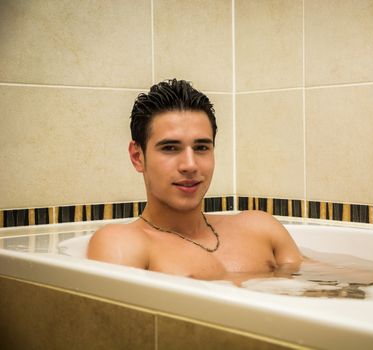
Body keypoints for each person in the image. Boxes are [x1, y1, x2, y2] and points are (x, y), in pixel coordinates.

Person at [87, 78, 302, 281]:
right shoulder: (123, 243)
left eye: (201, 148)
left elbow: (321, 291)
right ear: (137, 157)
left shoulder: (261, 228)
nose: (190, 165)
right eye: (170, 148)